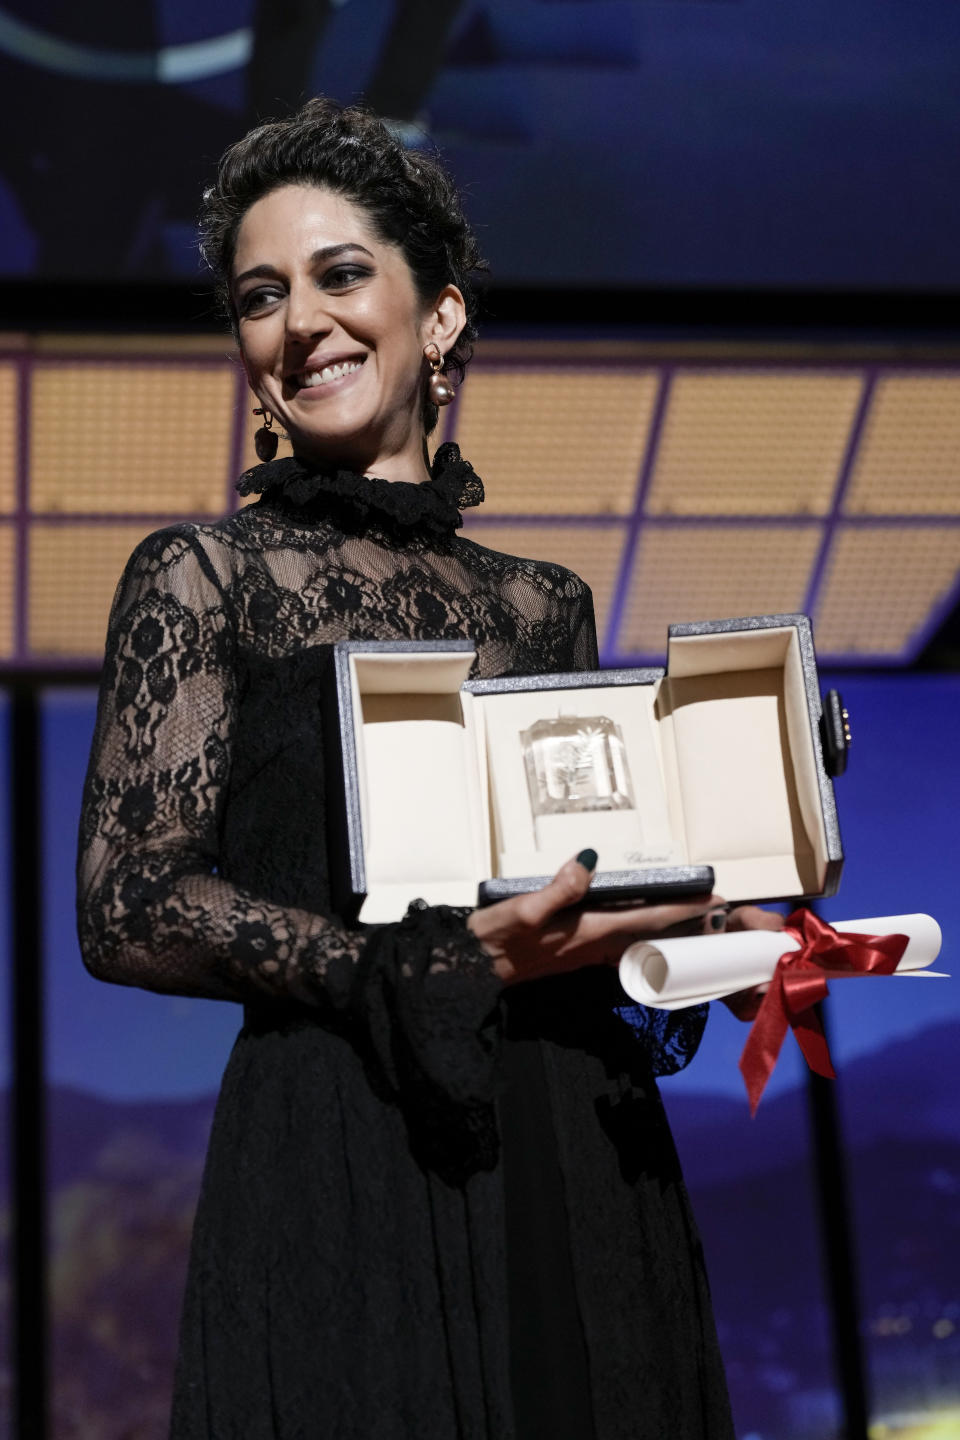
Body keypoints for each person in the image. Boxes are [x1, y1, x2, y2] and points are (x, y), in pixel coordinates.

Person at [76, 98, 779, 1440]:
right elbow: (130, 904)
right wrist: (410, 970)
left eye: (342, 274)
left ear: (439, 315)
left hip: (577, 1136)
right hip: (341, 1140)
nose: (301, 323)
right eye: (261, 296)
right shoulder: (204, 575)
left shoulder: (543, 603)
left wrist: (691, 929)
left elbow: (583, 888)